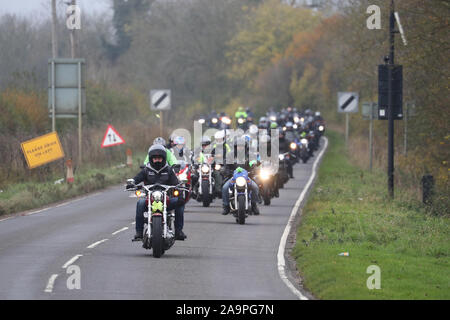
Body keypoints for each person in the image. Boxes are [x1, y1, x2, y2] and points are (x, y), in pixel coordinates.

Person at [127, 144, 187, 241]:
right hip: (150, 200)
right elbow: (137, 178)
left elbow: (176, 184)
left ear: (163, 159)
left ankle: (179, 231)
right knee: (140, 204)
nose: (157, 160)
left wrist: (180, 194)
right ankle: (139, 232)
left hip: (167, 200)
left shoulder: (168, 170)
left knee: (180, 204)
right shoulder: (146, 170)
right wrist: (132, 183)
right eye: (155, 159)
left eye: (159, 158)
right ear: (151, 159)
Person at [221, 137, 262, 216]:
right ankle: (226, 206)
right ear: (235, 147)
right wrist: (225, 170)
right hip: (233, 177)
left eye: (242, 146)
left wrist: (254, 168)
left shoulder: (249, 155)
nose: (240, 148)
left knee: (255, 187)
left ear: (245, 146)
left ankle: (254, 205)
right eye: (238, 146)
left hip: (247, 177)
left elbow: (253, 163)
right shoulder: (231, 155)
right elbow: (226, 165)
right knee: (225, 188)